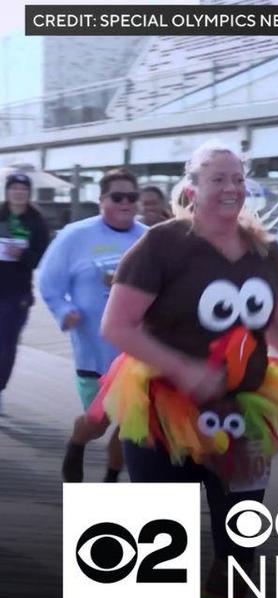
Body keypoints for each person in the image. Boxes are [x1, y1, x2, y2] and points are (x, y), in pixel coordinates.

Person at [90, 141, 278, 598]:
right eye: (217, 178)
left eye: (237, 179)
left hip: (244, 412)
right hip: (164, 409)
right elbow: (117, 326)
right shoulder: (161, 244)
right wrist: (184, 370)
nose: (231, 188)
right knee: (153, 551)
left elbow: (272, 317)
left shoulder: (266, 249)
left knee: (241, 549)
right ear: (191, 188)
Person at [40, 168, 148, 482]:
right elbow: (49, 280)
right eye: (118, 197)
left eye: (131, 197)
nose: (126, 203)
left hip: (136, 352)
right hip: (93, 349)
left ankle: (111, 478)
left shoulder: (147, 237)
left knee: (132, 423)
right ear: (102, 200)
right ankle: (77, 443)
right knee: (100, 421)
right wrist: (64, 309)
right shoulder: (76, 235)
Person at [0, 172, 49, 416]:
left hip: (16, 294)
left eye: (23, 188)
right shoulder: (0, 214)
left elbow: (41, 258)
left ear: (28, 193)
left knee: (6, 347)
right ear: (7, 191)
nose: (18, 192)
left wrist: (22, 255)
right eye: (14, 187)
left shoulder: (36, 221)